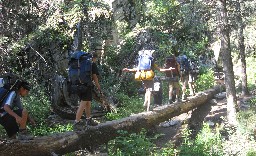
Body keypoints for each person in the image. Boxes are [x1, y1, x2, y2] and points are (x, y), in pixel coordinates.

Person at [74, 53, 102, 126]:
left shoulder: (81, 64)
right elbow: (95, 78)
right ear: (94, 58)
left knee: (88, 103)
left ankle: (88, 119)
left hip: (79, 86)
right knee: (83, 104)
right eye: (96, 58)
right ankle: (76, 122)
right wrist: (99, 88)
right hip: (87, 87)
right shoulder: (92, 64)